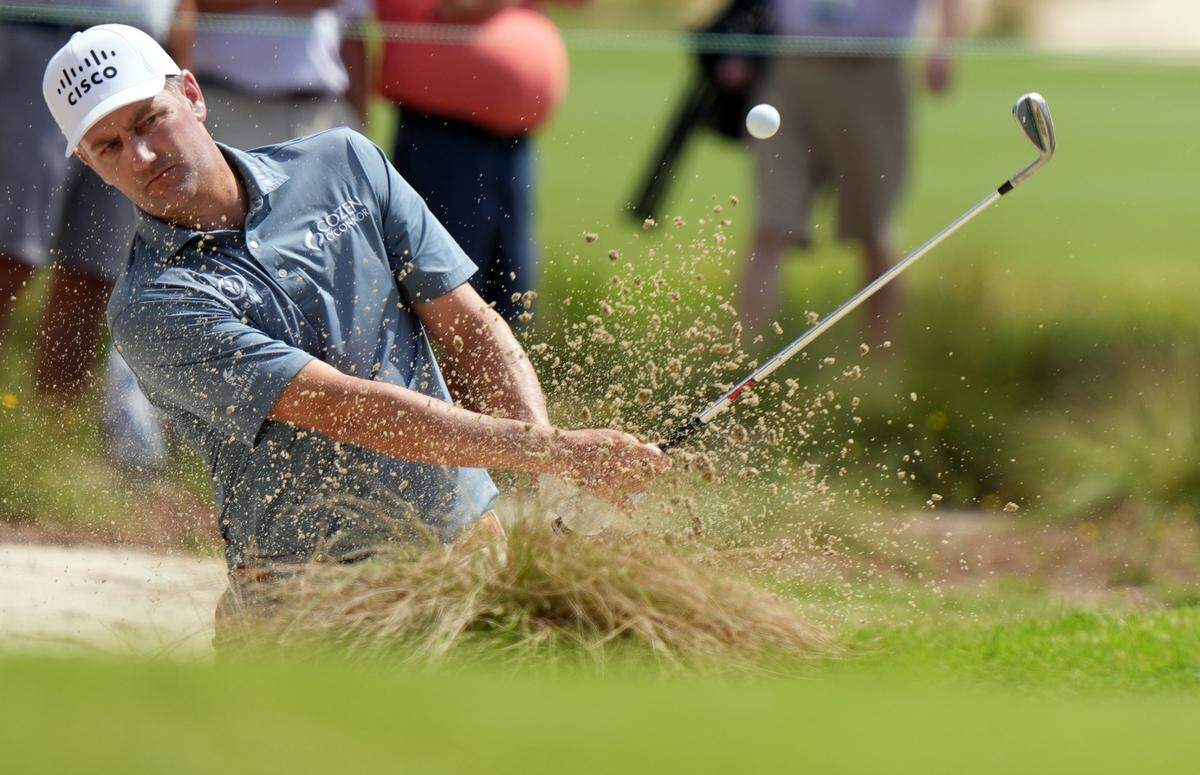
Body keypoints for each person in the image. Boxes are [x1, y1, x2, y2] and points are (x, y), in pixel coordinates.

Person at [42, 24, 668, 624]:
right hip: (309, 600)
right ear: (90, 164)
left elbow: (470, 327)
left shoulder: (342, 163)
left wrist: (551, 479)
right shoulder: (153, 305)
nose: (143, 154)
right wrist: (555, 452)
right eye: (110, 146)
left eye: (150, 120)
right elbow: (350, 410)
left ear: (193, 96)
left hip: (471, 553)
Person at [0, 0, 195, 473]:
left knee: (94, 277)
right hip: (37, 37)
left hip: (142, 55)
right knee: (9, 259)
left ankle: (44, 455)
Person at [738, 0, 962, 337]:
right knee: (771, 226)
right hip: (791, 66)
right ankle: (739, 363)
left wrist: (945, 45)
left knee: (874, 230)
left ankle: (879, 372)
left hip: (871, 70)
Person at [376, 0, 570, 321]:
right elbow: (461, 6)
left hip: (511, 148)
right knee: (442, 291)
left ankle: (498, 371)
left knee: (508, 294)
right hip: (440, 139)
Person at [192, 0, 370, 149]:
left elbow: (352, 28)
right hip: (226, 106)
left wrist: (360, 123)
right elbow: (189, 6)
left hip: (315, 114)